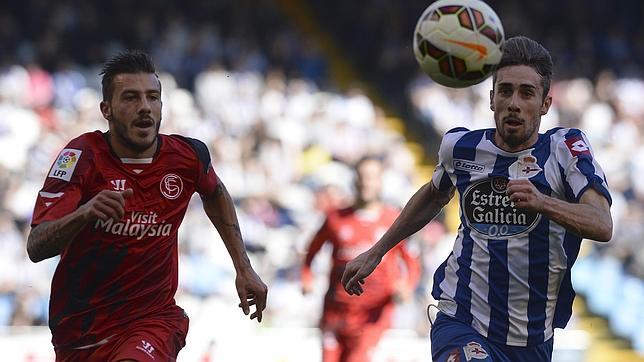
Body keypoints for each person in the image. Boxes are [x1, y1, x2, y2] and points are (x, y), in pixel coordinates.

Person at [341, 36, 613, 362]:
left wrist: (544, 203)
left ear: (545, 104)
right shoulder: (461, 148)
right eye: (505, 90)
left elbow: (601, 223)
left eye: (526, 93)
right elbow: (433, 195)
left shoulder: (564, 149)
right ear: (491, 99)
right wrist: (377, 251)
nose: (513, 102)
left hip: (533, 337)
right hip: (462, 319)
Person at [26, 50, 268, 361]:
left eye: (153, 97)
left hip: (152, 321)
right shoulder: (81, 158)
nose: (144, 108)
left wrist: (244, 268)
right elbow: (36, 246)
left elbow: (216, 194)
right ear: (107, 109)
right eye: (130, 98)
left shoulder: (187, 157)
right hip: (80, 330)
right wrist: (83, 214)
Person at [302, 156, 421, 362]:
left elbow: (412, 260)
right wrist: (306, 278)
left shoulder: (394, 220)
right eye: (362, 176)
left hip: (372, 316)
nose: (366, 182)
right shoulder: (335, 218)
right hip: (336, 312)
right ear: (354, 180)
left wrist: (407, 286)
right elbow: (311, 251)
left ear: (381, 181)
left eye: (372, 177)